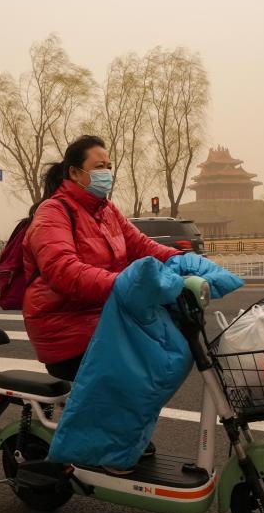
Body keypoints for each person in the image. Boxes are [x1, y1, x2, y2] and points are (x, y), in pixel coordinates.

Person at [23, 135, 181, 382]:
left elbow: (141, 245)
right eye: (99, 167)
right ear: (74, 173)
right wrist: (123, 283)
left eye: (109, 167)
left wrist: (182, 261)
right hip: (67, 329)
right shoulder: (53, 212)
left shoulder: (107, 209)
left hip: (105, 319)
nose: (107, 173)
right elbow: (63, 271)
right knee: (142, 375)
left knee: (170, 349)